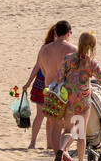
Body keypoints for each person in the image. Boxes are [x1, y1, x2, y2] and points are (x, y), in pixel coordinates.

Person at [53, 31, 101, 161]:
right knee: (81, 133)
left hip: (69, 99)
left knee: (68, 130)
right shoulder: (91, 63)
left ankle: (61, 150)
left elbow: (58, 78)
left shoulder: (68, 58)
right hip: (84, 101)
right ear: (92, 46)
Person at [25, 20, 76, 152]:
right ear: (68, 33)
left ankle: (56, 154)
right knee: (69, 125)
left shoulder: (44, 49)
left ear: (55, 32)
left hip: (50, 90)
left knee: (54, 124)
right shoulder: (73, 49)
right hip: (66, 91)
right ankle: (63, 152)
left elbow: (42, 68)